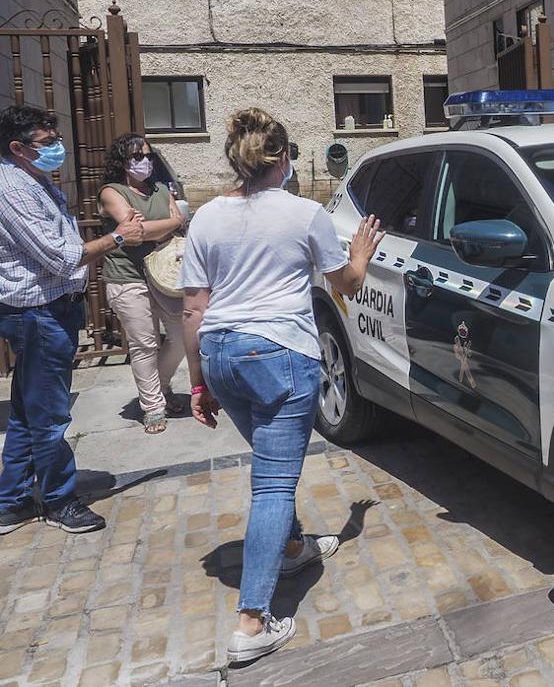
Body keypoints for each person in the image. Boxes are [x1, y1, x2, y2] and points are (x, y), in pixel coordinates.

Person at [180, 108, 381, 662]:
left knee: (272, 463)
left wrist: (198, 381)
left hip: (221, 352)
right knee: (271, 484)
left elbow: (194, 308)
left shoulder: (206, 217)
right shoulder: (304, 214)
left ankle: (292, 546)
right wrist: (361, 252)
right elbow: (347, 285)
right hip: (279, 356)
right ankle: (252, 621)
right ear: (285, 159)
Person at [0, 105, 143, 535]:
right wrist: (118, 237)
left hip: (51, 308)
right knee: (50, 416)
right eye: (46, 144)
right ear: (17, 148)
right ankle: (60, 500)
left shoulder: (33, 179)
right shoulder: (12, 189)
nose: (57, 149)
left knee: (28, 411)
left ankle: (12, 500)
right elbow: (61, 258)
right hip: (37, 313)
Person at [100, 134, 188, 434]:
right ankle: (152, 406)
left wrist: (159, 225)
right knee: (145, 344)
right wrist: (171, 222)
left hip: (166, 276)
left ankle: (160, 388)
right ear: (123, 161)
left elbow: (162, 224)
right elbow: (136, 233)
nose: (145, 162)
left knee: (180, 336)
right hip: (128, 276)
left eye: (148, 156)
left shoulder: (161, 189)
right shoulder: (113, 192)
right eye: (138, 157)